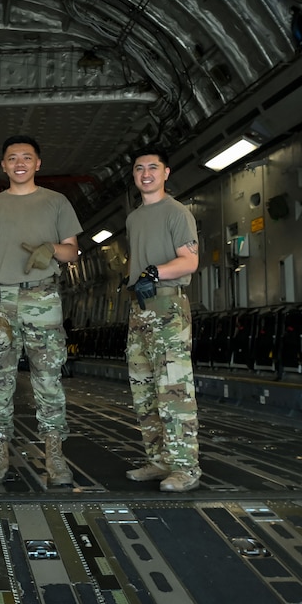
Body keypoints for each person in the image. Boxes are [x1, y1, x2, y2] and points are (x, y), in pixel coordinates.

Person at [0, 135, 81, 486]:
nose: (20, 163)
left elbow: (73, 252)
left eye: (27, 157)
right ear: (3, 165)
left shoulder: (57, 202)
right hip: (1, 301)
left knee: (48, 379)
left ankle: (54, 456)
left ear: (38, 164)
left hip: (43, 299)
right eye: (12, 158)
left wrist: (52, 248)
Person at [124, 149, 201, 492]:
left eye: (152, 167)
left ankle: (186, 467)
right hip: (140, 309)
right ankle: (160, 460)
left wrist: (154, 273)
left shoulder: (177, 212)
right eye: (139, 168)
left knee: (173, 389)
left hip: (168, 306)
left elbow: (189, 261)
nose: (146, 173)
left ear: (166, 172)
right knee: (143, 389)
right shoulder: (134, 218)